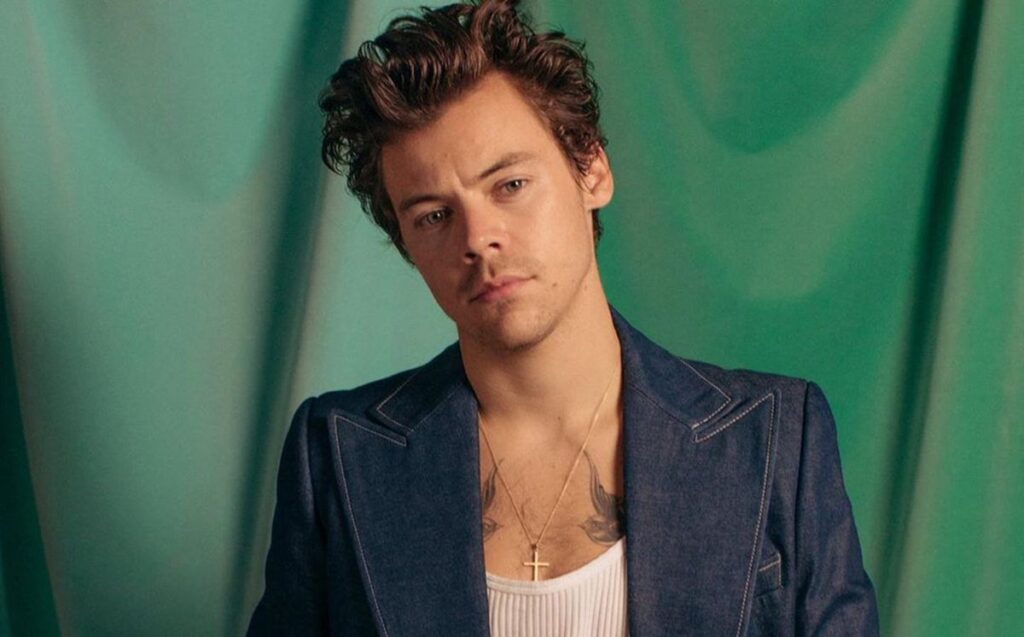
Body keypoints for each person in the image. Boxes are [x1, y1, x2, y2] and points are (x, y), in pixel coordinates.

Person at [247, 1, 880, 635]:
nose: (478, 238)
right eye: (434, 216)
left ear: (592, 171)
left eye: (510, 185)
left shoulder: (773, 438)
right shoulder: (337, 452)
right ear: (406, 244)